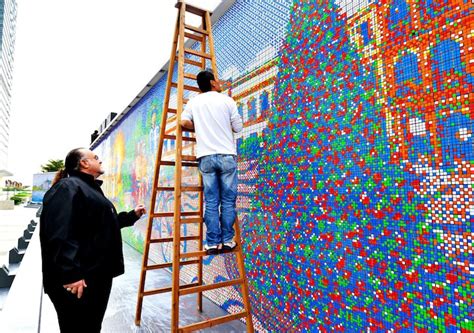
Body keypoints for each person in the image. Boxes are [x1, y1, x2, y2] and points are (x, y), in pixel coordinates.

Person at [40, 148, 146, 333]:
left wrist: (132, 216)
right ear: (84, 163)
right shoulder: (68, 187)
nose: (100, 161)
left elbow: (102, 224)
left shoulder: (88, 188)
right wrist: (71, 274)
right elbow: (60, 232)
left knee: (90, 327)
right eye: (96, 158)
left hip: (93, 276)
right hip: (78, 281)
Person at [181, 70, 243, 254]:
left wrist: (199, 126)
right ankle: (226, 241)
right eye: (217, 80)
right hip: (226, 155)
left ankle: (212, 243)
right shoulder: (227, 100)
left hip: (206, 157)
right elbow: (238, 128)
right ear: (213, 83)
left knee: (211, 201)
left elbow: (183, 123)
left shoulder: (194, 102)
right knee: (228, 201)